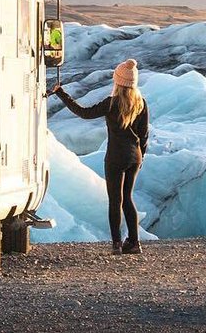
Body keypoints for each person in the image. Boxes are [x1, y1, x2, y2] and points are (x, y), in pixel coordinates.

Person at [52, 58, 150, 254]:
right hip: (134, 156)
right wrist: (141, 156)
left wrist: (61, 93)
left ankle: (116, 244)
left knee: (115, 200)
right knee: (128, 198)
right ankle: (134, 242)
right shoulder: (141, 103)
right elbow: (144, 133)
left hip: (116, 156)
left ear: (118, 81)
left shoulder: (111, 103)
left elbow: (83, 112)